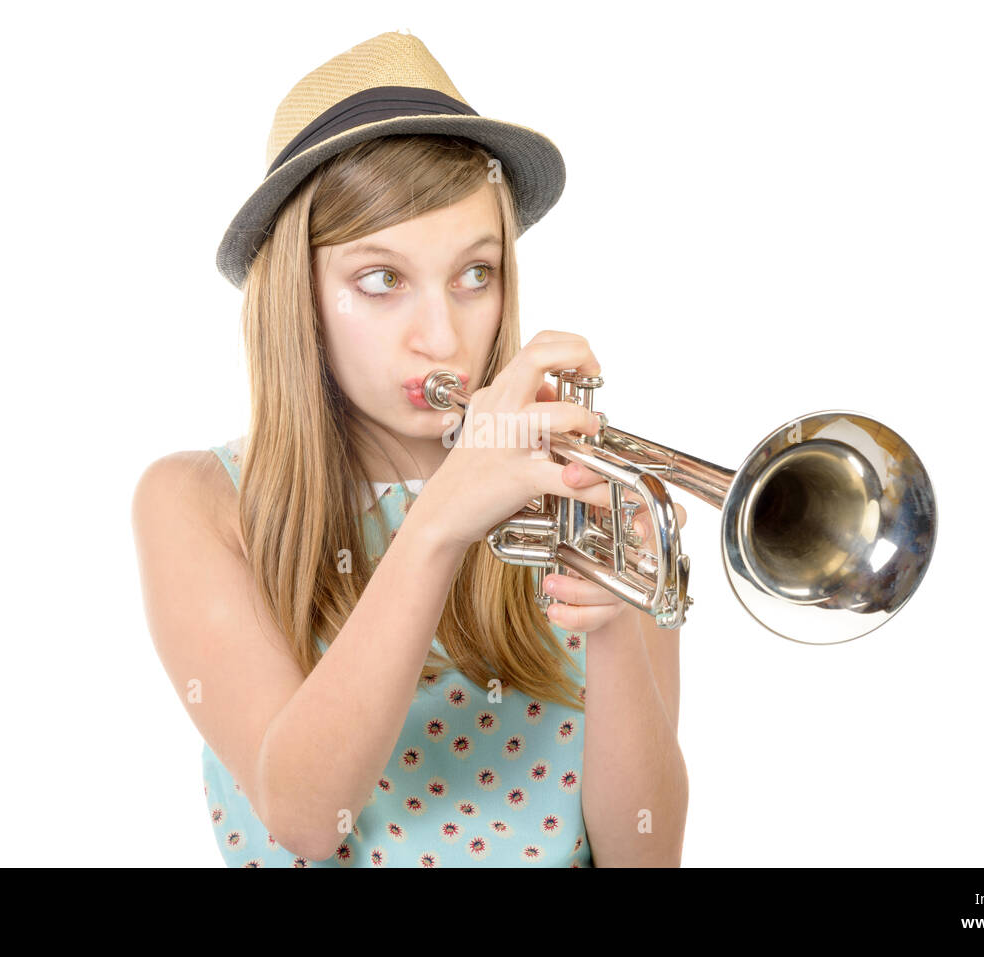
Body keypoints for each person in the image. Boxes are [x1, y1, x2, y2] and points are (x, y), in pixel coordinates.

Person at [132, 30, 688, 867]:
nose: (443, 337)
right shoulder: (197, 501)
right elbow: (308, 818)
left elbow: (646, 857)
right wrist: (437, 525)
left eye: (475, 275)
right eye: (382, 280)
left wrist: (612, 627)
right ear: (300, 298)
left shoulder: (591, 497)